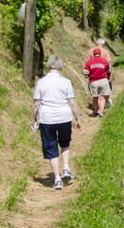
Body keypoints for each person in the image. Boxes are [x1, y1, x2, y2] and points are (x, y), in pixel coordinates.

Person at [31, 55, 82, 190]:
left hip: (46, 119)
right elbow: (72, 102)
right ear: (60, 66)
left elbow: (37, 103)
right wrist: (77, 118)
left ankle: (57, 179)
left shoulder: (41, 82)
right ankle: (66, 167)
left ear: (48, 65)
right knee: (65, 142)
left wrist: (33, 119)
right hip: (64, 117)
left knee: (51, 147)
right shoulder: (66, 82)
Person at [83, 48, 112, 117]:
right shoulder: (104, 61)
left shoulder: (89, 62)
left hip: (93, 81)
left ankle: (95, 112)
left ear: (93, 54)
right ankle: (101, 113)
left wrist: (89, 74)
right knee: (102, 97)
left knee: (95, 98)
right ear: (100, 54)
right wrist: (108, 77)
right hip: (103, 80)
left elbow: (85, 72)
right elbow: (108, 71)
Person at [87, 38, 112, 108]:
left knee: (96, 93)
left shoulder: (91, 51)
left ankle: (97, 106)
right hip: (103, 75)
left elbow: (88, 63)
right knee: (104, 92)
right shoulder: (106, 52)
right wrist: (110, 76)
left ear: (96, 42)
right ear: (103, 44)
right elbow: (108, 64)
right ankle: (105, 104)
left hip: (93, 74)